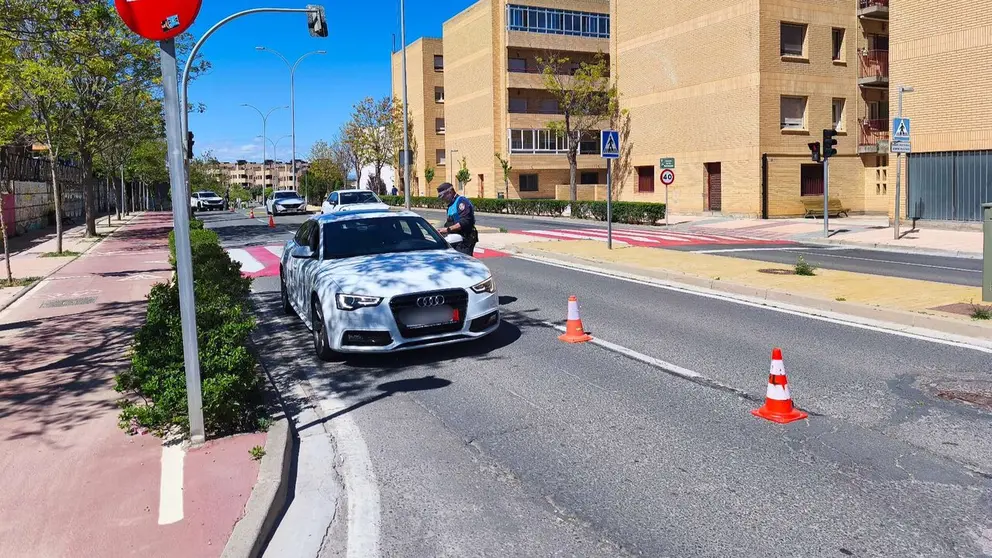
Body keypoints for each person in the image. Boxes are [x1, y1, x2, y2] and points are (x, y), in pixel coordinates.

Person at [436, 182, 477, 257]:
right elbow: (450, 222)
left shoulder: (461, 201)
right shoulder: (450, 205)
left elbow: (465, 221)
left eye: (443, 196)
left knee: (463, 260)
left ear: (450, 192)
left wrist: (447, 229)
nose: (443, 199)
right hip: (455, 238)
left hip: (465, 239)